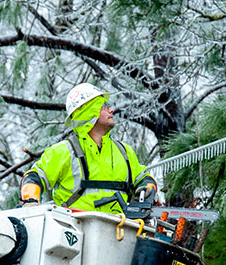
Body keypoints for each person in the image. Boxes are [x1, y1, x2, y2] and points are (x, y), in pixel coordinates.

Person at [19, 83, 157, 214]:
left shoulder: (124, 151)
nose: (112, 110)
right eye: (104, 106)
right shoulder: (64, 151)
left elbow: (144, 179)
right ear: (89, 111)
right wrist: (31, 200)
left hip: (119, 232)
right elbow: (33, 177)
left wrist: (147, 190)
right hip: (74, 231)